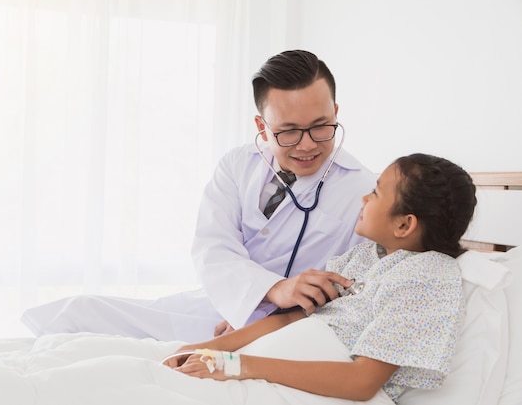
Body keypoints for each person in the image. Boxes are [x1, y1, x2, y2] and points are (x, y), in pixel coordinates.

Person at [20, 50, 377, 342]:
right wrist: (273, 290)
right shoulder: (238, 165)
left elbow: (357, 294)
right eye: (288, 132)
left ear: (336, 114)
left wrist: (269, 320)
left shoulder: (367, 193)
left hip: (287, 330)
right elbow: (214, 249)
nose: (308, 144)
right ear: (261, 127)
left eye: (320, 126)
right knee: (79, 312)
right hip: (219, 306)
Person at [164, 153, 477, 404]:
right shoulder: (366, 256)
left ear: (404, 225)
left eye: (376, 192)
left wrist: (235, 365)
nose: (364, 199)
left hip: (316, 388)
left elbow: (362, 382)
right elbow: (290, 320)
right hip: (268, 367)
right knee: (138, 373)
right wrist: (205, 348)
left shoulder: (427, 277)